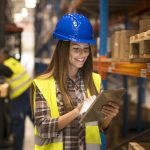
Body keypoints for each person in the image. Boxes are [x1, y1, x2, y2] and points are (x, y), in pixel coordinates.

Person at [32, 13, 119, 150]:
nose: (82, 55)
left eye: (86, 49)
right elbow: (43, 128)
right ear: (63, 50)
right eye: (76, 49)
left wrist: (109, 116)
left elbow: (100, 126)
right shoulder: (43, 84)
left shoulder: (95, 80)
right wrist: (77, 111)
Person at [0, 48, 33, 150]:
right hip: (29, 92)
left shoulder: (7, 64)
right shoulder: (12, 61)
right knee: (37, 119)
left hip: (20, 98)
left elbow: (8, 72)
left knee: (17, 124)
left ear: (3, 56)